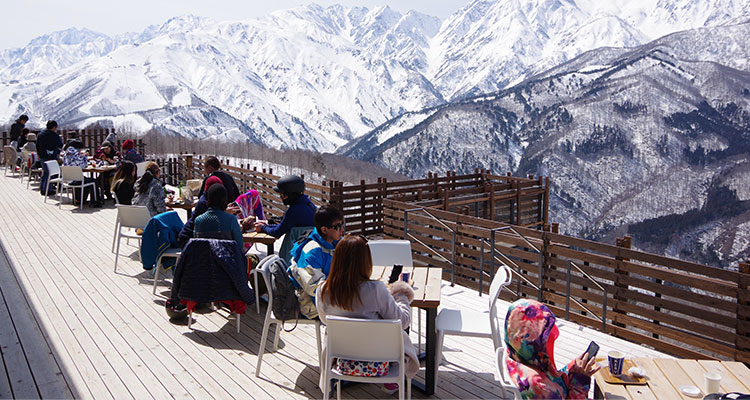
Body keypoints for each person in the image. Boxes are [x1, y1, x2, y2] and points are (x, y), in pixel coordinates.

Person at [316, 234, 419, 389]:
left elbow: (325, 320)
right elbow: (403, 321)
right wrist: (401, 294)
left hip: (341, 357)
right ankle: (392, 381)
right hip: (379, 358)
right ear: (366, 261)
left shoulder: (323, 290)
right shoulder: (375, 290)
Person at [504, 299, 600, 399]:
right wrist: (580, 380)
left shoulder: (516, 354)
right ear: (532, 342)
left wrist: (572, 367)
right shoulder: (540, 386)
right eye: (545, 341)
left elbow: (552, 377)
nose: (548, 346)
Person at [288, 206, 344, 319]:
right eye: (337, 227)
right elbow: (316, 289)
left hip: (327, 296)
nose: (342, 230)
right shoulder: (312, 251)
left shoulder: (333, 242)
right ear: (324, 230)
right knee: (358, 312)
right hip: (310, 305)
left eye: (342, 224)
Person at [193, 183, 244, 250]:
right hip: (226, 259)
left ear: (208, 199)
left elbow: (196, 244)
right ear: (225, 199)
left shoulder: (198, 221)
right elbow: (239, 245)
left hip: (205, 259)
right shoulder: (231, 219)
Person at [177, 176, 223, 248]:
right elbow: (211, 218)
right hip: (188, 239)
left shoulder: (208, 199)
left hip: (195, 238)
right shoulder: (204, 203)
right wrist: (224, 213)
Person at [62, 140, 102, 206]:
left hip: (68, 179)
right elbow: (83, 166)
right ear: (78, 147)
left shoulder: (65, 154)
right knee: (93, 181)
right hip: (76, 179)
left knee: (87, 180)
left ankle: (79, 200)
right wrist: (85, 157)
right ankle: (95, 201)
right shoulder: (76, 154)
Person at [36, 120, 63, 196]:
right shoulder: (54, 135)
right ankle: (47, 189)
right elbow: (60, 145)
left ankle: (43, 188)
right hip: (51, 156)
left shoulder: (41, 134)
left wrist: (39, 154)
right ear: (54, 127)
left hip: (42, 155)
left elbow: (37, 145)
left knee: (45, 172)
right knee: (50, 173)